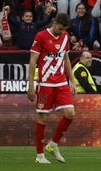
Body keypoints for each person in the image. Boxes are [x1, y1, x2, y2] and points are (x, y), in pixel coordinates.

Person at [27, 13, 76, 164]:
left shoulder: (66, 36)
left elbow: (66, 58)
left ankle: (53, 145)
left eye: (63, 30)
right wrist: (31, 85)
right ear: (53, 23)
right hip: (45, 83)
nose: (61, 32)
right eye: (59, 29)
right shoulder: (41, 36)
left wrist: (72, 81)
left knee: (70, 114)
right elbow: (33, 60)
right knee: (43, 118)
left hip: (61, 82)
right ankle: (40, 155)